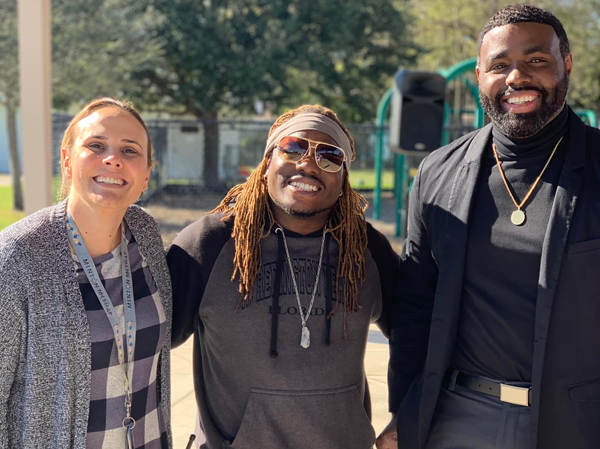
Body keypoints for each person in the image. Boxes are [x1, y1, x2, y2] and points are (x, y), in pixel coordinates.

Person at [379, 4, 600, 449]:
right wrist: (404, 413)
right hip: (457, 416)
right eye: (500, 65)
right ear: (479, 74)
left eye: (536, 60)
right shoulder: (438, 172)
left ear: (566, 64)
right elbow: (416, 307)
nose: (517, 77)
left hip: (578, 421)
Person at [167, 105, 399, 449]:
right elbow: (148, 342)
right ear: (266, 164)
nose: (307, 163)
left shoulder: (365, 249)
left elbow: (420, 333)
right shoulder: (211, 243)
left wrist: (406, 414)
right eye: (292, 147)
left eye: (329, 156)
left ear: (343, 178)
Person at [0, 98, 173, 448]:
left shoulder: (146, 234)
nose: (113, 159)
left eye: (130, 150)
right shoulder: (19, 256)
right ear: (66, 160)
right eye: (96, 146)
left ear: (145, 176)